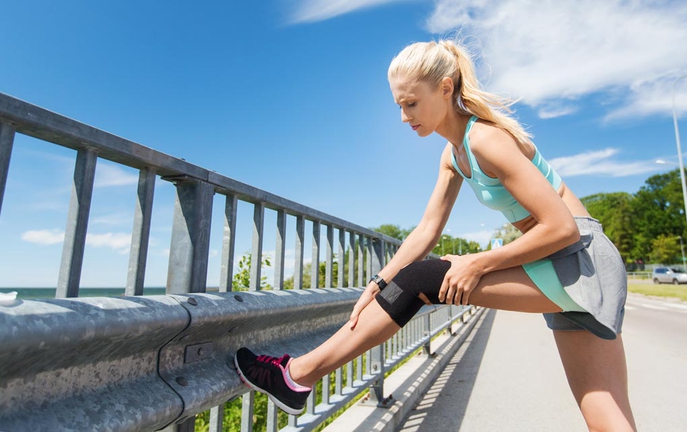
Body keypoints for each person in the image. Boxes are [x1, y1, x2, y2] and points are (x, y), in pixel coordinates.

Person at [234, 39, 636, 431]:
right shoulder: (454, 154)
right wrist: (378, 283)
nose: (404, 117)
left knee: (422, 280)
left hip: (580, 258)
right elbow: (427, 230)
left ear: (445, 89)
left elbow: (561, 227)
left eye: (411, 103)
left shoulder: (485, 140)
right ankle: (298, 376)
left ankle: (297, 375)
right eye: (399, 105)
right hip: (564, 265)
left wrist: (477, 262)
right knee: (606, 420)